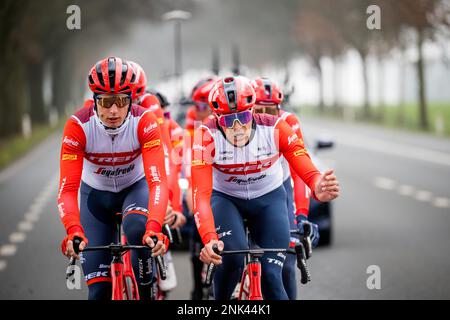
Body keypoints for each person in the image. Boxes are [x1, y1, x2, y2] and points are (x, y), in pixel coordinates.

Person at [191, 75, 340, 300]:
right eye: (228, 121)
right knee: (230, 259)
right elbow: (200, 194)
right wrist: (209, 237)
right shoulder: (205, 135)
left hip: (269, 200)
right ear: (217, 118)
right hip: (227, 201)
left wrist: (317, 184)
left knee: (272, 275)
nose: (238, 127)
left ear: (252, 111)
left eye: (243, 116)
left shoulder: (276, 127)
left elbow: (304, 167)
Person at [58, 56, 169, 300]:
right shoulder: (78, 126)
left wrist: (155, 227)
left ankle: (146, 289)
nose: (114, 110)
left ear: (131, 100)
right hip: (95, 198)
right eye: (106, 102)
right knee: (98, 290)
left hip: (135, 189)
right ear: (94, 101)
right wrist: (74, 230)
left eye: (121, 101)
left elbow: (158, 181)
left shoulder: (145, 121)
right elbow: (67, 190)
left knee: (137, 228)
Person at [252, 77, 318, 300]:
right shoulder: (239, 126)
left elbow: (299, 173)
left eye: (270, 110)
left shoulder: (288, 122)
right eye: (257, 109)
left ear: (278, 109)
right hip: (245, 192)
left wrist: (301, 214)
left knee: (287, 265)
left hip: (278, 189)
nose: (263, 115)